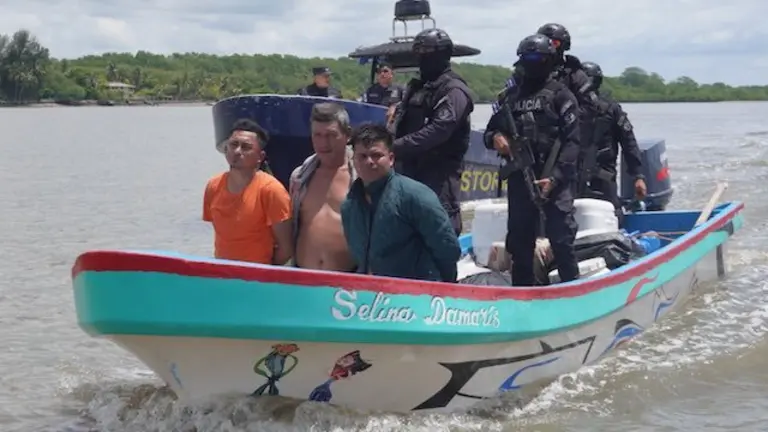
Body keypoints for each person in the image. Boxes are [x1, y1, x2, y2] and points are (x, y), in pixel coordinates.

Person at [483, 34, 580, 286]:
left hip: (554, 179)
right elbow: (488, 132)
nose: (532, 63)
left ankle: (573, 290)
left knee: (561, 239)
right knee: (519, 243)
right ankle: (523, 295)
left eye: (537, 58)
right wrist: (496, 137)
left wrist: (556, 178)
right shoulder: (510, 99)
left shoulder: (562, 96)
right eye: (527, 58)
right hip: (520, 179)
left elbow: (573, 143)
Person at [341, 123, 461, 282]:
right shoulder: (349, 206)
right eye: (362, 156)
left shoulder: (416, 196)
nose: (369, 161)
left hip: (416, 298)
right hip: (372, 298)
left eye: (376, 155)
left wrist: (441, 293)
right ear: (353, 160)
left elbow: (448, 250)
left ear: (391, 159)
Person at [389, 28, 475, 236]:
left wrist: (394, 148)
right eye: (418, 52)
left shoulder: (454, 90)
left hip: (438, 178)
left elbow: (439, 131)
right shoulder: (417, 87)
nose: (421, 58)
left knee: (437, 236)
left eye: (425, 52)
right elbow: (399, 122)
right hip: (407, 174)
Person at [203, 119, 293, 264]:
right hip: (222, 274)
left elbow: (286, 248)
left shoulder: (271, 191)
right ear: (226, 149)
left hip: (257, 278)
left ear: (260, 157)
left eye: (246, 147)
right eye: (233, 145)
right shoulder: (213, 186)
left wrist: (263, 273)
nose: (237, 151)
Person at [289, 103, 357, 271]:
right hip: (303, 277)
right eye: (317, 135)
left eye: (331, 135)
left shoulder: (362, 178)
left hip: (347, 284)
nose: (323, 142)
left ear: (347, 135)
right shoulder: (299, 177)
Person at [579, 61, 647, 221]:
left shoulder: (612, 109)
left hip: (603, 177)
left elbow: (629, 142)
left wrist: (638, 176)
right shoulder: (567, 106)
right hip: (572, 177)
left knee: (612, 216)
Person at [536, 23, 596, 108]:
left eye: (554, 43)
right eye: (546, 43)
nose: (550, 48)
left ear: (564, 45)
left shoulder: (574, 74)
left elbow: (591, 107)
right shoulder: (528, 71)